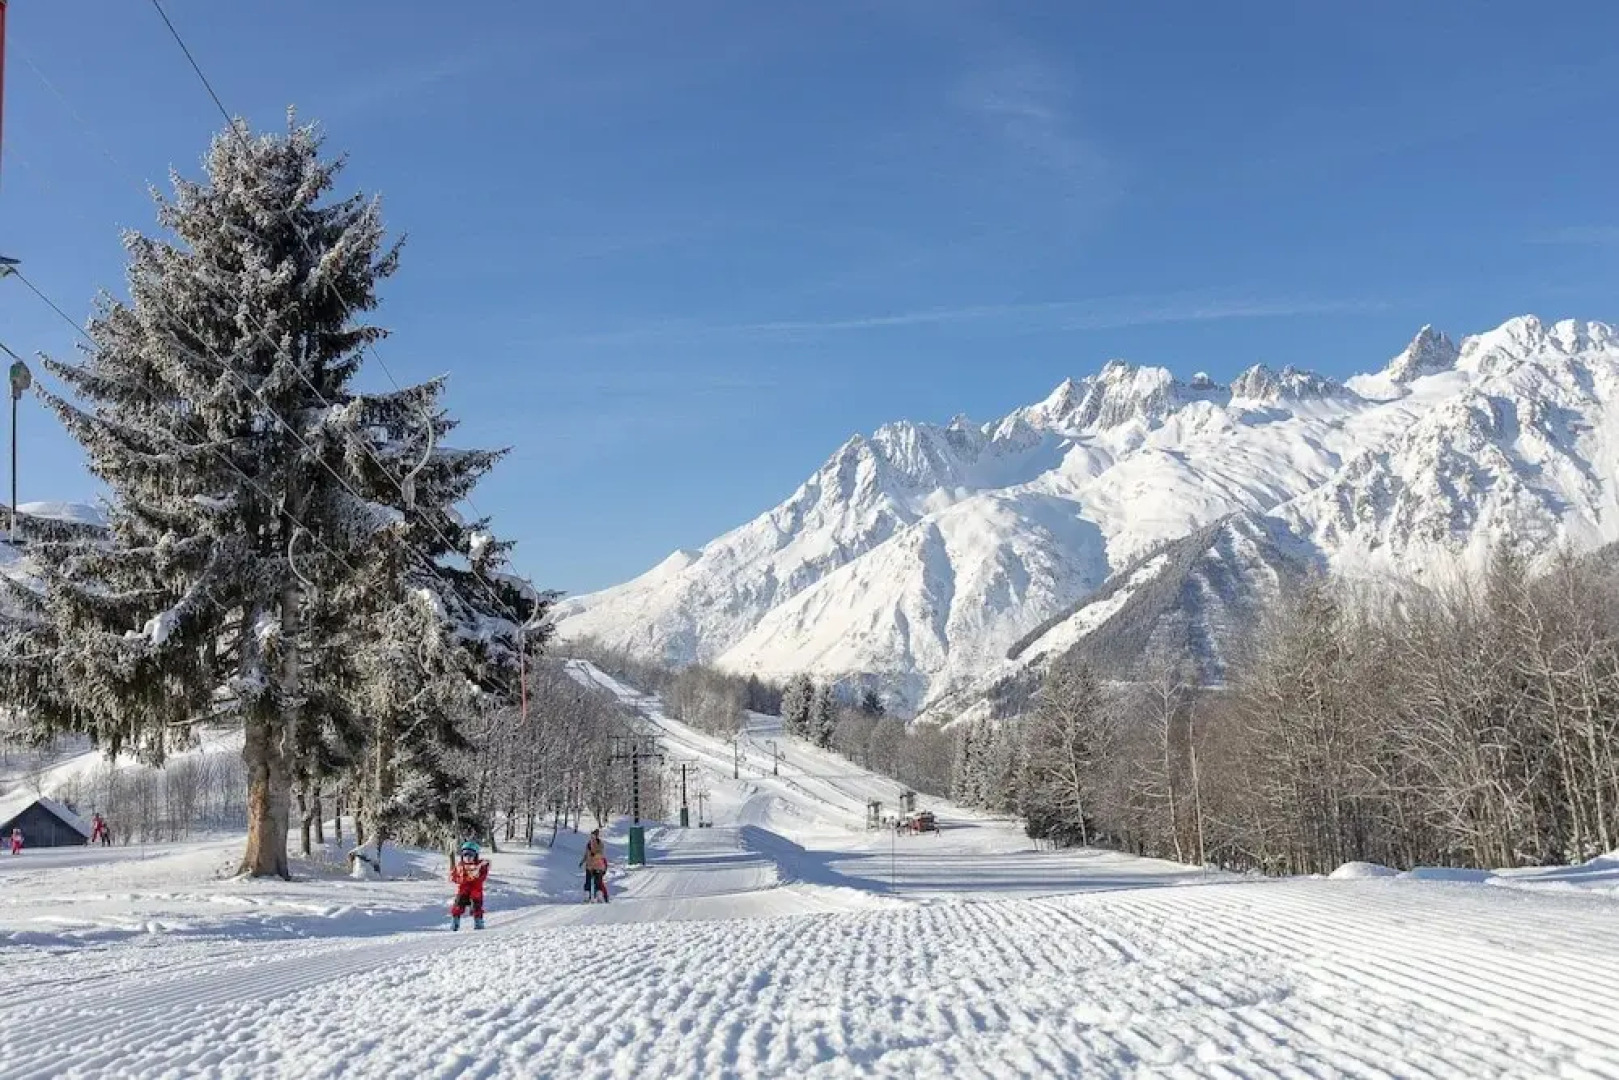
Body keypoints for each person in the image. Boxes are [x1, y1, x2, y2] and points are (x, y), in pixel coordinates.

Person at [448, 840, 490, 931]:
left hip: (475, 892)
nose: (468, 857)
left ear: (475, 856)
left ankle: (478, 922)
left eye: (470, 855)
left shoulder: (479, 866)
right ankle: (455, 923)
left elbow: (481, 877)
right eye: (465, 855)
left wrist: (480, 870)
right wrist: (454, 877)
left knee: (476, 907)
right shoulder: (460, 866)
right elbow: (456, 877)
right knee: (457, 906)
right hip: (463, 891)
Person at [580, 828, 609, 903]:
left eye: (594, 835)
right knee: (588, 881)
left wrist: (595, 854)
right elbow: (586, 854)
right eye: (591, 836)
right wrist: (582, 861)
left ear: (596, 836)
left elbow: (600, 853)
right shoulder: (588, 844)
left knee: (598, 882)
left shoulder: (600, 843)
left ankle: (599, 897)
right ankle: (587, 897)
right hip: (589, 866)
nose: (592, 837)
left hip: (598, 865)